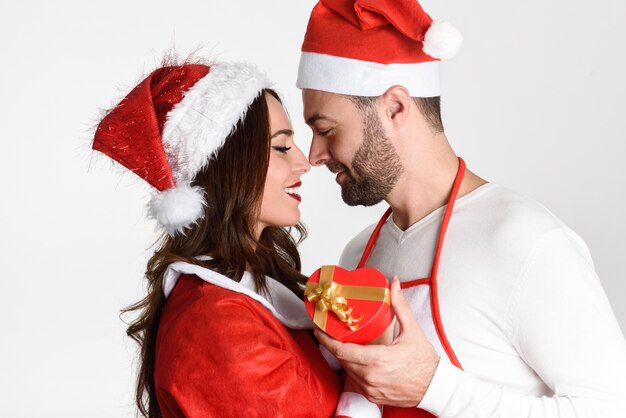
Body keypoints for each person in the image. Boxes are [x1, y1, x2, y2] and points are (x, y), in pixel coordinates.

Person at [296, 1, 626, 417]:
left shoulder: (522, 240)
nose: (314, 154)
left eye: (325, 130)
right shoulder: (357, 256)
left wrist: (436, 387)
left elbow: (612, 408)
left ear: (395, 107)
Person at [92, 59, 354, 417]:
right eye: (281, 148)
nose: (303, 162)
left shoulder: (252, 295)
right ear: (227, 162)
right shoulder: (216, 323)